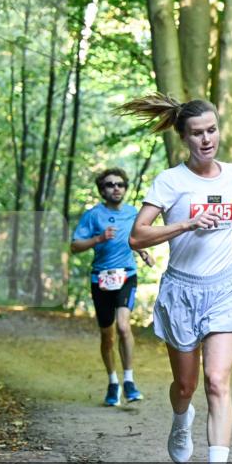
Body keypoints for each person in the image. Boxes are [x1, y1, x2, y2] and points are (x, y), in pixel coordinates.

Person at [121, 93, 232, 464]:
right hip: (181, 291)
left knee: (217, 382)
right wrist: (186, 224)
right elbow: (138, 235)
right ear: (184, 137)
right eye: (197, 133)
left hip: (223, 288)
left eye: (212, 130)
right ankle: (181, 419)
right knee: (186, 387)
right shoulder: (170, 182)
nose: (207, 139)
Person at [71, 168, 153, 406]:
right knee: (107, 336)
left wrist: (143, 253)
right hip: (101, 279)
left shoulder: (133, 213)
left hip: (127, 275)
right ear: (102, 190)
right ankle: (113, 382)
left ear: (125, 188)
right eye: (110, 185)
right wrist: (98, 239)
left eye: (120, 184)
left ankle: (129, 381)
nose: (116, 188)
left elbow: (135, 239)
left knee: (124, 327)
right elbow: (75, 246)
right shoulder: (93, 215)